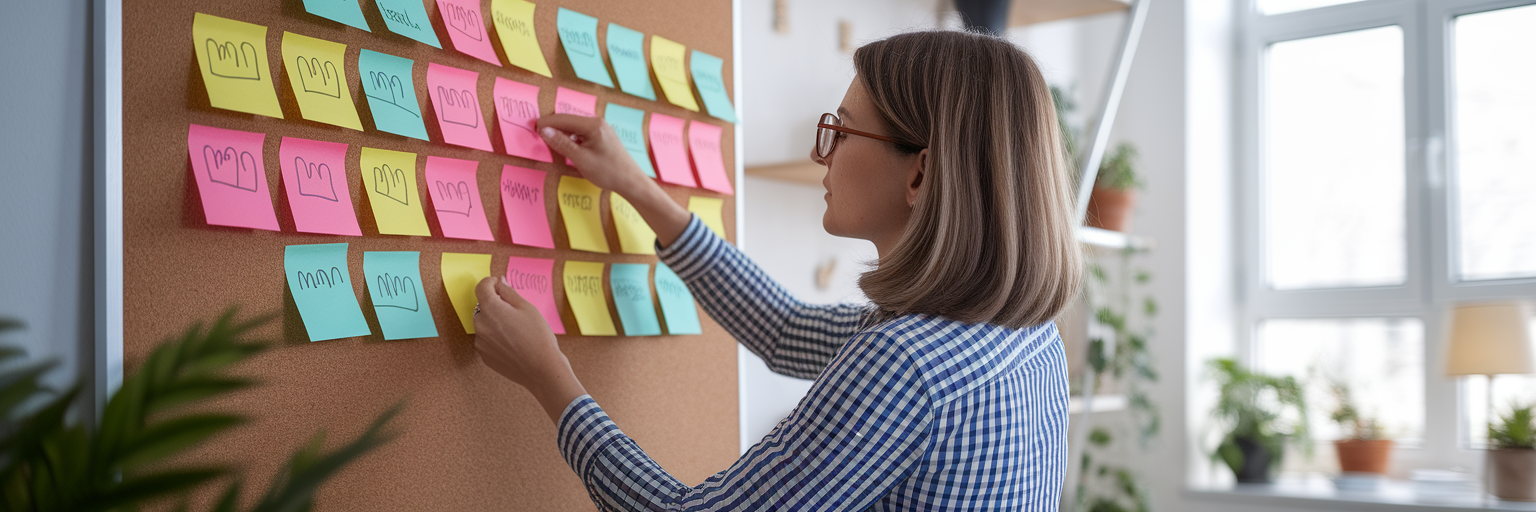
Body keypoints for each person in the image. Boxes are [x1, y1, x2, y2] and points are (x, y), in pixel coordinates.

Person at [471, 29, 1082, 511]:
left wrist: (548, 375)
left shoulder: (907, 365)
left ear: (919, 174)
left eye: (841, 131)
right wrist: (638, 189)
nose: (825, 151)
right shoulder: (1023, 334)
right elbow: (786, 329)